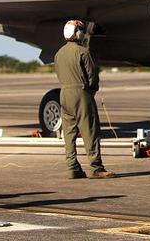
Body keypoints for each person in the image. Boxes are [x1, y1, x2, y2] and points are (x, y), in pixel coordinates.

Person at [54, 19, 115, 180]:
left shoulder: (58, 53)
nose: (83, 33)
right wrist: (91, 91)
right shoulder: (83, 52)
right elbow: (92, 78)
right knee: (90, 131)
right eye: (81, 31)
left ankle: (73, 167)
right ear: (77, 33)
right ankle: (96, 167)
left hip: (64, 93)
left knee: (69, 132)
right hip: (81, 93)